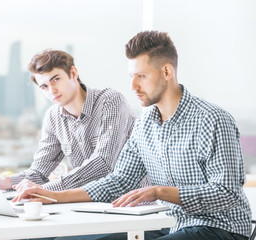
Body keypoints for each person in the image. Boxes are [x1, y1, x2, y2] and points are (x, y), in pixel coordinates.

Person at [15, 31, 252, 240]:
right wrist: (52, 196)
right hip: (169, 225)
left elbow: (227, 192)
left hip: (220, 229)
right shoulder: (145, 125)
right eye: (131, 77)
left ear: (167, 71)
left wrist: (159, 191)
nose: (133, 86)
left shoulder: (212, 119)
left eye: (142, 76)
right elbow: (119, 181)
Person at [0, 49, 136, 192]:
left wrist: (49, 189)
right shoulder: (53, 116)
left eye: (56, 79)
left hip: (133, 204)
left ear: (73, 73)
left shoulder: (110, 101)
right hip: (90, 204)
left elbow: (103, 164)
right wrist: (5, 182)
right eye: (44, 86)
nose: (52, 90)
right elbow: (39, 172)